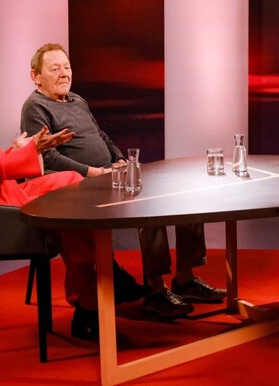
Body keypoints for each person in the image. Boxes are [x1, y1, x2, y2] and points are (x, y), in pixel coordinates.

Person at [0, 40, 147, 342]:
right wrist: (33, 149)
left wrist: (16, 150)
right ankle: (93, 300)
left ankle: (102, 281)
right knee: (72, 202)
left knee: (68, 183)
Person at [20, 43, 226, 319]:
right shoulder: (35, 106)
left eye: (67, 67)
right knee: (149, 208)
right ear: (35, 76)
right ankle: (156, 290)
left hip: (108, 175)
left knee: (183, 194)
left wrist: (120, 161)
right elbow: (48, 158)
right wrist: (93, 172)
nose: (63, 74)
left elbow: (101, 136)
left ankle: (186, 279)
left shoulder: (77, 100)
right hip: (79, 185)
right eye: (54, 69)